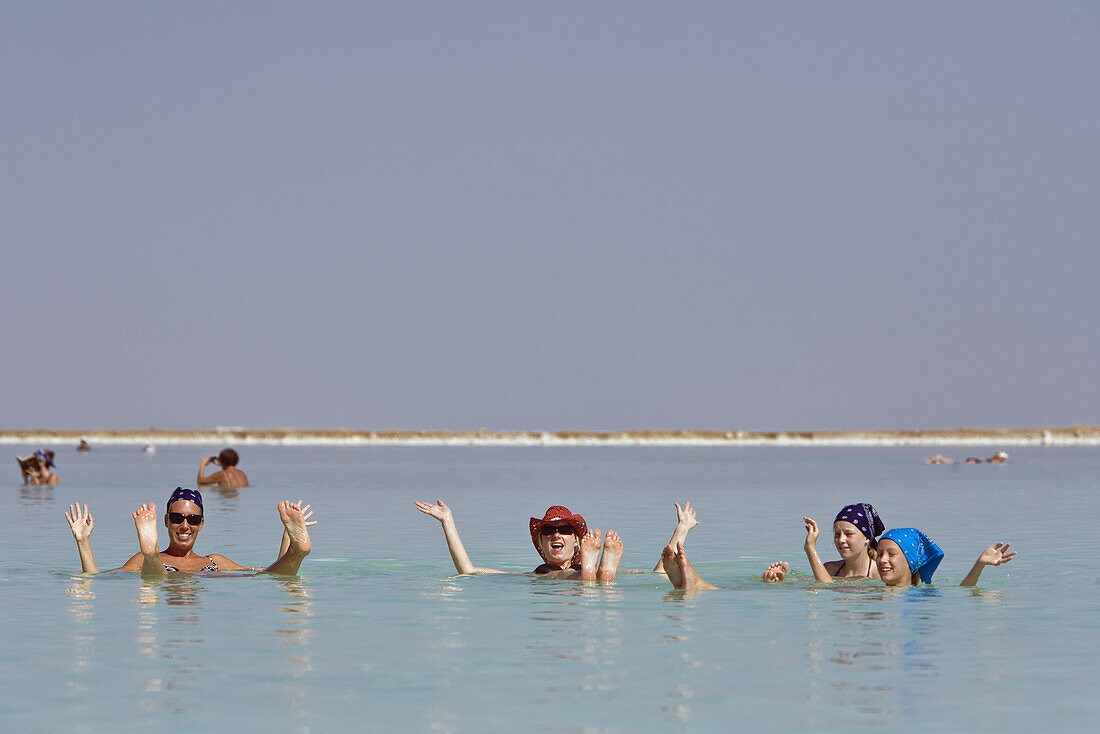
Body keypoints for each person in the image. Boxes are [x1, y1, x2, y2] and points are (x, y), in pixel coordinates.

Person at [64, 487, 311, 575]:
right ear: (165, 521)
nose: (185, 525)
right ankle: (152, 553)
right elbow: (95, 581)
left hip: (205, 572)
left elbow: (269, 574)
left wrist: (288, 537)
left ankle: (298, 552)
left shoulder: (215, 561)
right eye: (177, 518)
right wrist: (83, 542)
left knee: (272, 574)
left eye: (192, 519)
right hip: (159, 570)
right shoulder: (140, 560)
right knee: (153, 575)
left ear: (201, 524)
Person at [414, 500, 624, 581]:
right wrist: (447, 521)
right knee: (577, 578)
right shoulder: (536, 575)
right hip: (575, 581)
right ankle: (602, 574)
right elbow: (468, 570)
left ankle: (601, 572)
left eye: (565, 529)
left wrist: (660, 561)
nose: (556, 535)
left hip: (583, 577)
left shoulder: (531, 577)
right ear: (541, 544)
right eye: (549, 530)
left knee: (591, 578)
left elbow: (656, 575)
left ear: (577, 542)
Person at [763, 503, 885, 583]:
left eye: (848, 534)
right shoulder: (830, 569)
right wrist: (777, 581)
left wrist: (810, 548)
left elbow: (827, 585)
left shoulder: (880, 573)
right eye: (837, 534)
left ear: (867, 538)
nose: (841, 540)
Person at [876, 528, 1016, 587]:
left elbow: (963, 591)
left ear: (910, 561)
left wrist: (979, 565)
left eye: (891, 554)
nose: (882, 559)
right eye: (879, 554)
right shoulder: (870, 592)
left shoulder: (923, 596)